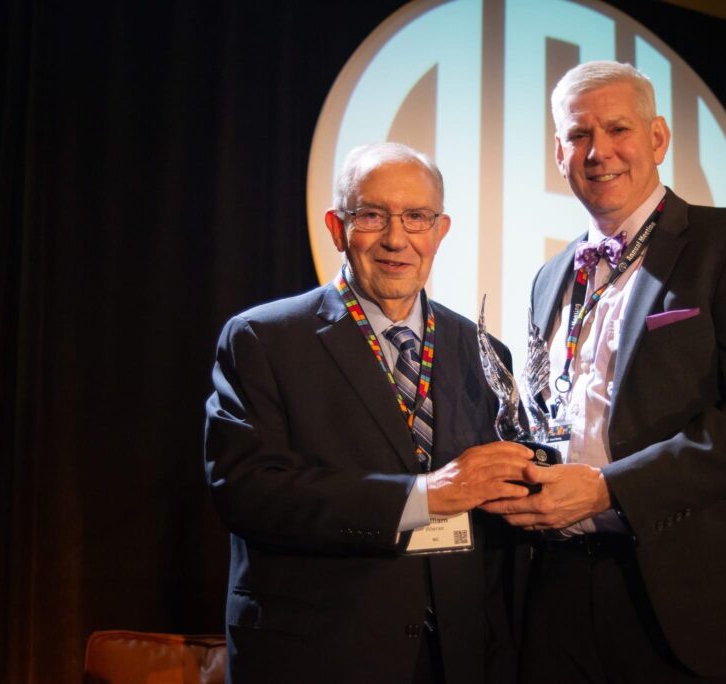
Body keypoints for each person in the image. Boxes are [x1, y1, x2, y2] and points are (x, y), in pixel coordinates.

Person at [484, 61, 726, 682]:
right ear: (559, 152)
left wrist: (613, 488)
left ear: (659, 138)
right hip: (559, 588)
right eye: (579, 135)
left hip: (699, 588)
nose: (599, 151)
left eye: (618, 129)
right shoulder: (549, 279)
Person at [204, 142, 533, 683]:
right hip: (320, 655)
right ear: (337, 227)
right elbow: (247, 491)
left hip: (458, 657)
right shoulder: (263, 339)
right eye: (372, 216)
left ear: (441, 231)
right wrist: (424, 497)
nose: (396, 239)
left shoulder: (485, 351)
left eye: (416, 217)